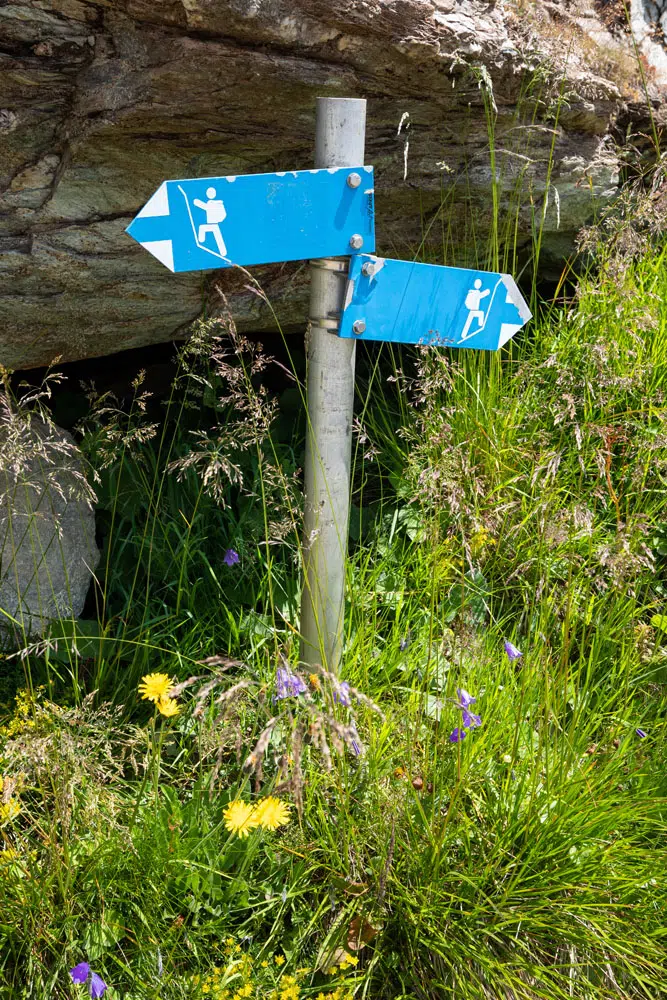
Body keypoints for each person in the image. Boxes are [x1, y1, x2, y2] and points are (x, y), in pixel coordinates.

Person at [193, 187, 227, 256]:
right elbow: (205, 207)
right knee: (203, 228)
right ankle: (201, 240)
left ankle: (223, 252)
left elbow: (223, 214)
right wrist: (196, 202)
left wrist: (219, 219)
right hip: (210, 224)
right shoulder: (210, 204)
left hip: (215, 224)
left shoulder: (218, 205)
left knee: (218, 238)